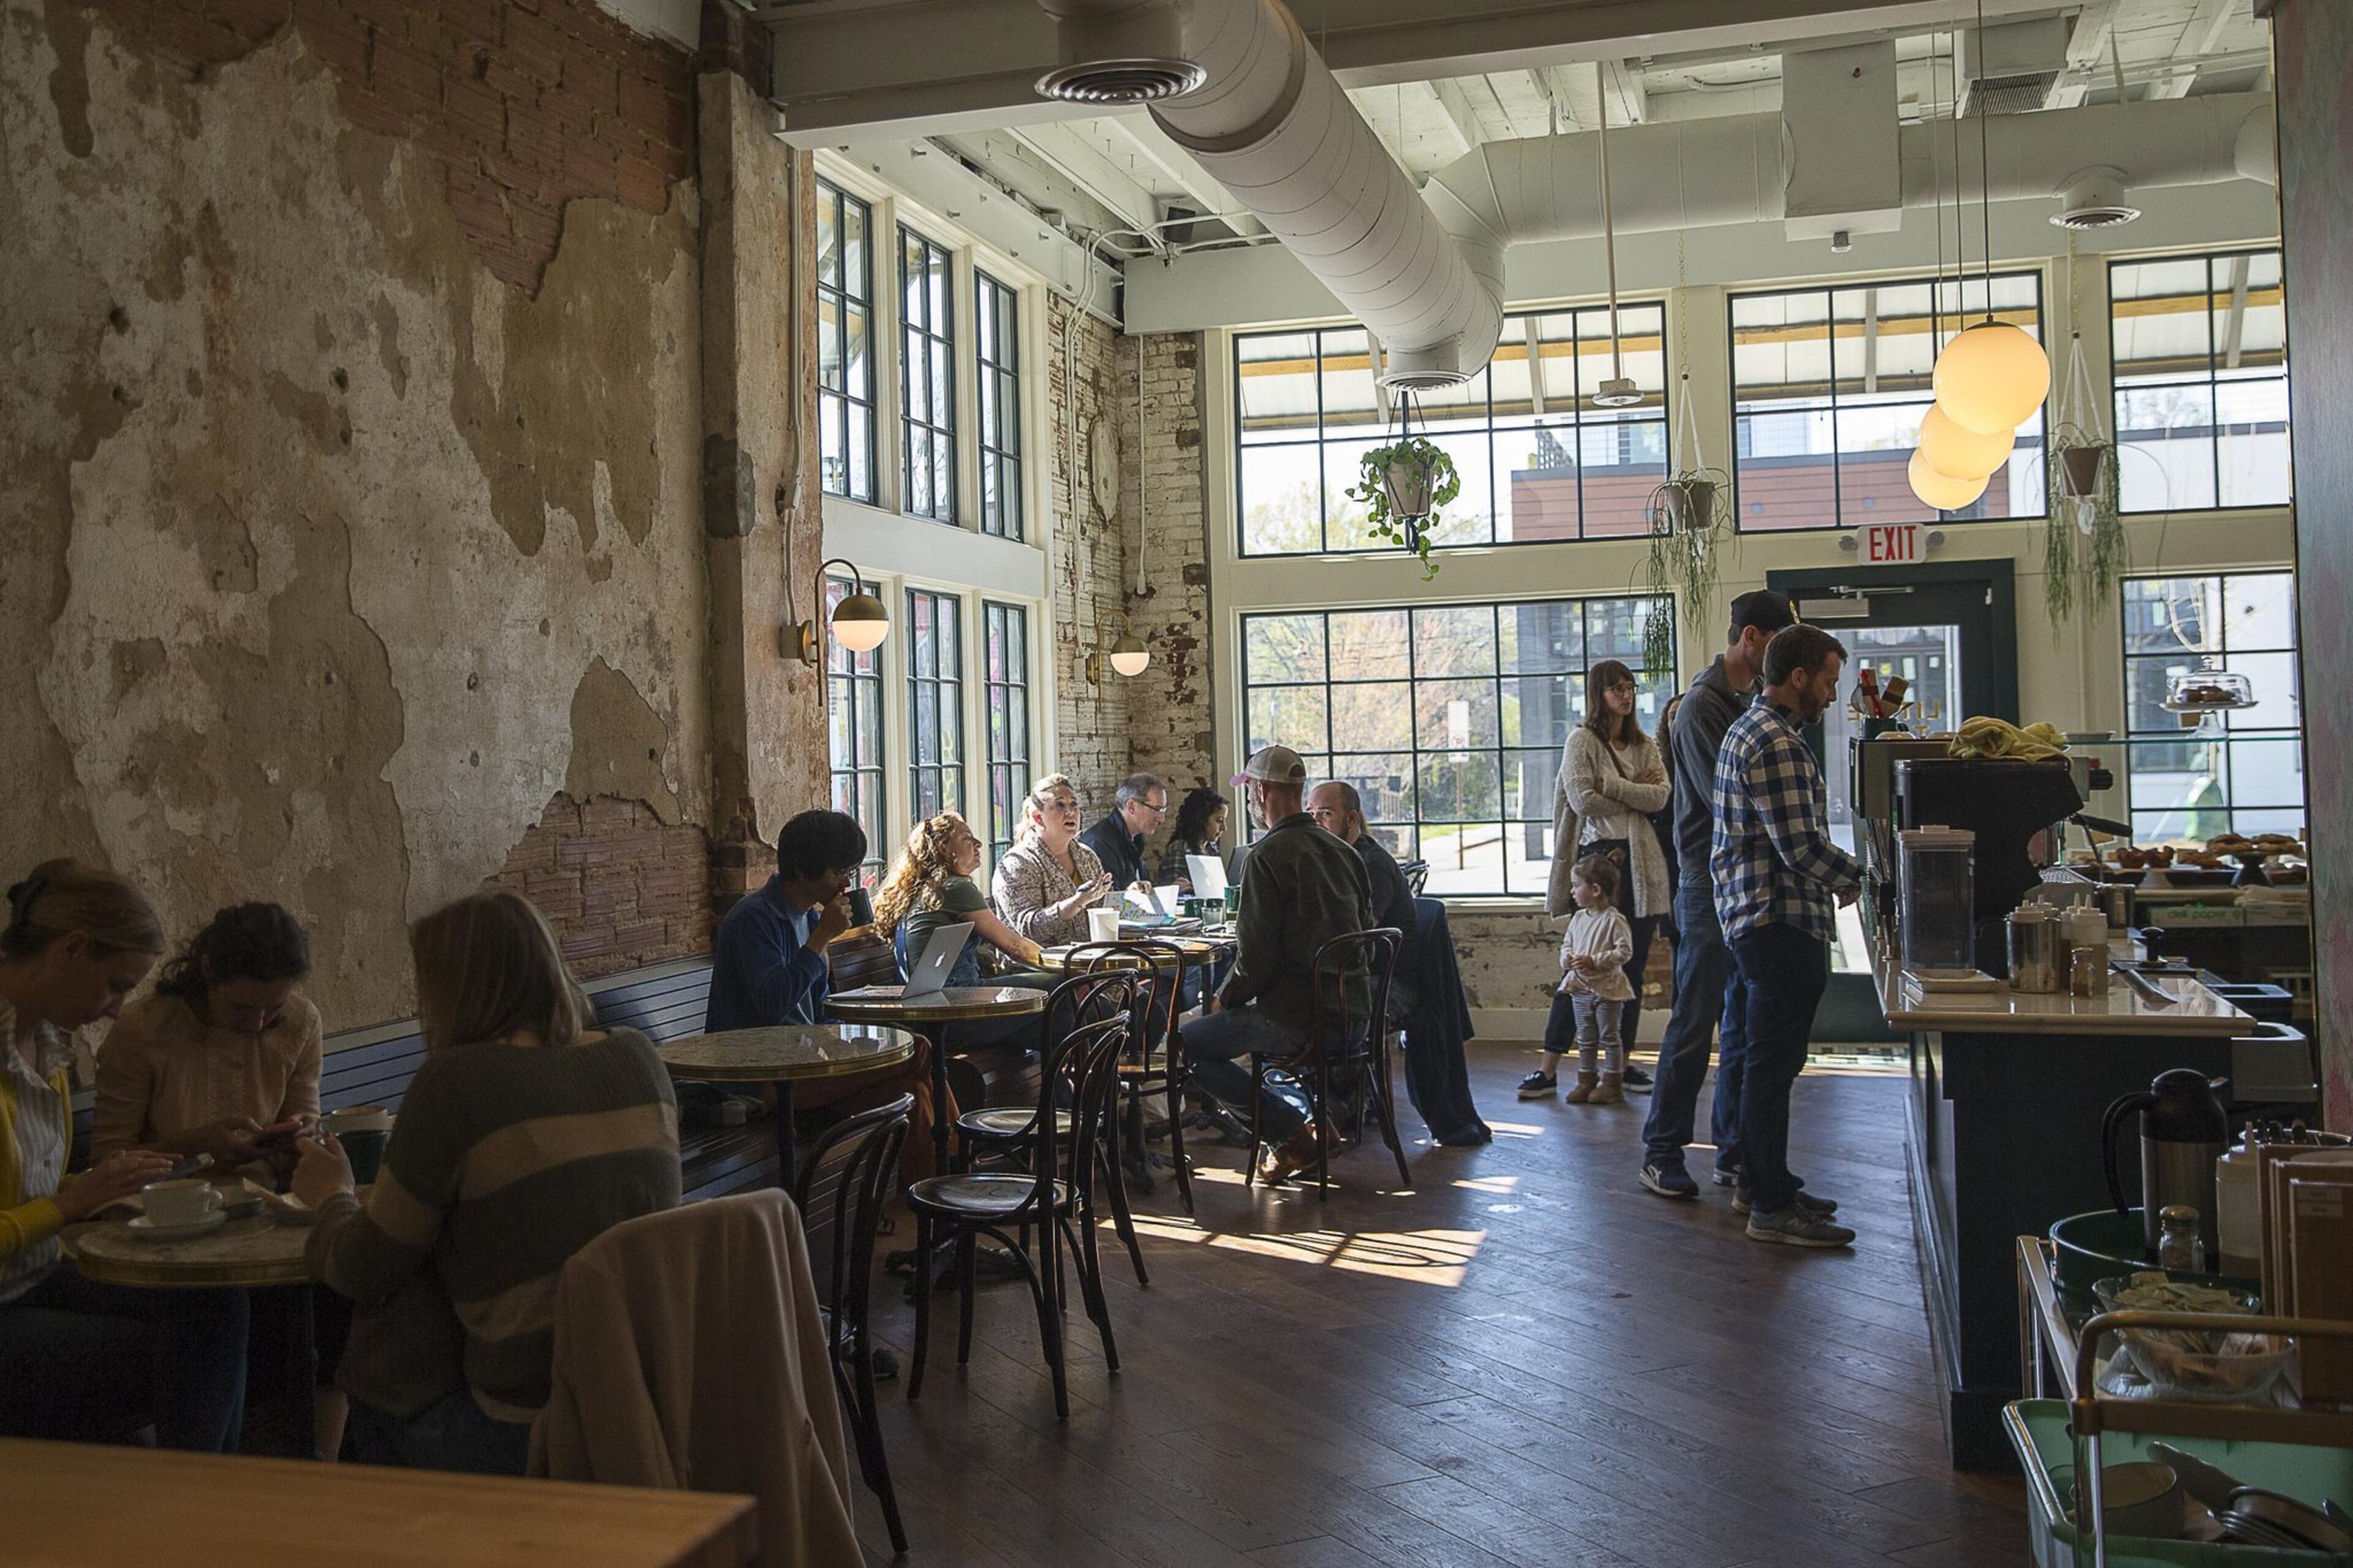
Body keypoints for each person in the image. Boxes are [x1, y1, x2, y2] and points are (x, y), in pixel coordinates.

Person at [296, 891, 681, 1473]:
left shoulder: (455, 1083)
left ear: (453, 988)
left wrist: (331, 1196)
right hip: (642, 1392)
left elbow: (364, 1267)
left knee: (375, 1360)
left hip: (523, 1422)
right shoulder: (637, 1056)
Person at [0, 860, 249, 1452]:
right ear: (71, 949)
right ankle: (188, 1508)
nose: (116, 1008)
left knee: (218, 1297)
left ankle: (208, 1492)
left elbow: (45, 1196)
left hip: (31, 1277)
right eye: (114, 984)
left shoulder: (44, 1044)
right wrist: (72, 1204)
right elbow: (54, 1206)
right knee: (185, 1352)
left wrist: (106, 1187)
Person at [1637, 589, 1795, 1201]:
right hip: (1707, 881)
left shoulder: (1745, 701)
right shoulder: (1704, 705)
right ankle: (1661, 1149)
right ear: (1751, 638)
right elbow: (1727, 800)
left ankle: (1732, 1155)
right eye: (1778, 645)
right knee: (1696, 1018)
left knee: (1739, 1021)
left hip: (1736, 878)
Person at [1713, 624, 1864, 1248]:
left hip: (1757, 920)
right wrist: (1862, 879)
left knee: (1758, 1063)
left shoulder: (1749, 729)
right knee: (1774, 1068)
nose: (1832, 694)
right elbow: (1800, 847)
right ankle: (1771, 1208)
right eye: (1828, 680)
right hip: (1777, 921)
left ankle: (1761, 1181)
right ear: (1797, 677)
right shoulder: (1775, 740)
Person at [707, 811, 952, 1185]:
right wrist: (822, 938)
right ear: (804, 870)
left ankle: (936, 1205)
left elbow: (818, 1011)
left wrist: (855, 1043)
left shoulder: (807, 917)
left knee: (914, 1092)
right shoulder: (754, 920)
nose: (846, 883)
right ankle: (957, 1189)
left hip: (808, 1062)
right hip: (766, 1076)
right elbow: (772, 1004)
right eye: (839, 873)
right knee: (920, 1049)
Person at [1183, 746, 1374, 1186]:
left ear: (1261, 790)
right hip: (1356, 1014)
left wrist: (1222, 998)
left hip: (1301, 1017)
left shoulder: (1265, 856)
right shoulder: (1345, 850)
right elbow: (1366, 927)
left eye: (1250, 790)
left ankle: (1293, 1133)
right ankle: (1303, 1129)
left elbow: (1255, 960)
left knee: (1188, 1043)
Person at [1525, 661, 1669, 1100]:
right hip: (1596, 864)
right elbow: (1583, 799)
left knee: (1630, 966)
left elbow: (1661, 796)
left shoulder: (1645, 745)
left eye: (1629, 687)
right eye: (1615, 689)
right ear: (1598, 694)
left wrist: (1613, 785)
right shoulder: (1582, 741)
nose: (1625, 696)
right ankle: (1549, 1069)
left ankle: (1619, 1067)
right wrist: (1629, 789)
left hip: (1640, 865)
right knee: (1581, 967)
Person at [93, 902, 321, 1174]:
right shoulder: (144, 1029)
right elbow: (106, 1161)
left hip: (264, 1198)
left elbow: (306, 1120)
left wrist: (300, 1136)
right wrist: (195, 1144)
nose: (257, 1024)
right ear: (208, 970)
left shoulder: (300, 1021)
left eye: (274, 1007)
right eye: (241, 1007)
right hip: (161, 1206)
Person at [1306, 781, 1415, 1010]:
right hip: (1358, 971)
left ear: (1352, 819)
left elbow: (1359, 940)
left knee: (1293, 1002)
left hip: (1385, 980)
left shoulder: (1372, 866)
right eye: (1311, 813)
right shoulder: (1337, 860)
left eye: (1326, 813)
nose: (1316, 822)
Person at [992, 775, 1116, 947]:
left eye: (1074, 804)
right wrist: (1076, 903)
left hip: (1089, 960)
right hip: (1039, 967)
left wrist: (1129, 899)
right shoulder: (1018, 864)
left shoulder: (1087, 856)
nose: (1070, 812)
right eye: (1060, 805)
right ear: (1038, 818)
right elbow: (1027, 929)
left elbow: (1105, 910)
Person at [1553, 855, 1635, 1104]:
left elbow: (1625, 952)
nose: (1572, 891)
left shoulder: (1614, 920)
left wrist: (1595, 961)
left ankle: (1612, 1083)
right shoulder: (1578, 919)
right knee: (1586, 1038)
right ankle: (1586, 1081)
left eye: (1577, 885)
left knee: (1610, 1037)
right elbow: (1567, 944)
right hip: (1580, 988)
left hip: (1607, 990)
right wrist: (1567, 959)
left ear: (1596, 890)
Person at [1080, 773, 1169, 894]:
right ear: (1131, 806)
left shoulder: (1136, 839)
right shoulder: (1101, 843)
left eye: (1163, 810)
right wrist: (1128, 894)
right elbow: (1104, 902)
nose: (1161, 818)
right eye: (1157, 810)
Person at [1157, 787, 1229, 887]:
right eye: (1219, 820)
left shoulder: (1211, 850)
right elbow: (1177, 891)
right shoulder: (1180, 849)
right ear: (1201, 819)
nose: (1224, 828)